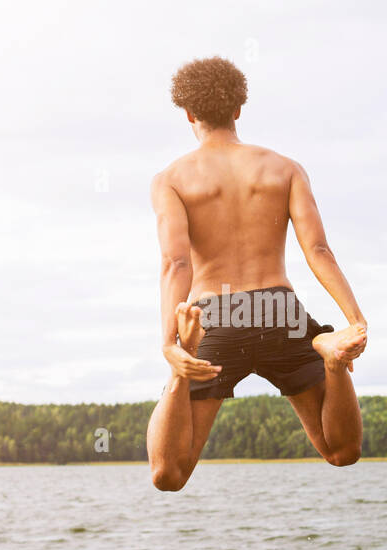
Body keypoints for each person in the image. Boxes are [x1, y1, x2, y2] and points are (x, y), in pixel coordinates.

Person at [147, 56, 368, 491]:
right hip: (279, 311)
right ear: (238, 109)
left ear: (188, 114)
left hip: (216, 318)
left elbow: (176, 263)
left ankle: (179, 374)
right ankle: (331, 358)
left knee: (169, 474)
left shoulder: (172, 179)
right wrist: (354, 320)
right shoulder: (283, 168)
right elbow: (319, 250)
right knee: (340, 452)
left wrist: (170, 343)